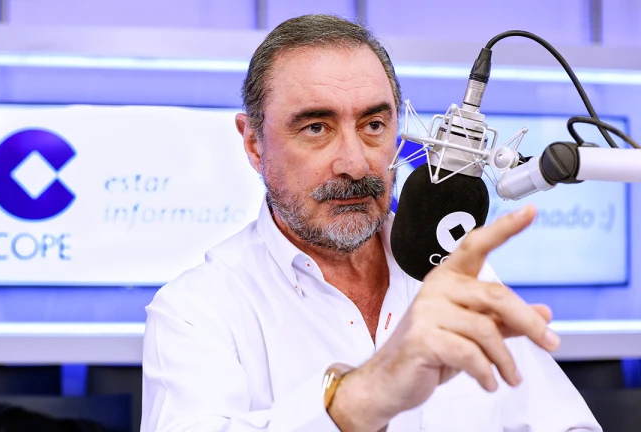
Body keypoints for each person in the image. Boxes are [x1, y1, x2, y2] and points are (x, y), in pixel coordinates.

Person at [141, 14, 601, 431]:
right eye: (316, 128)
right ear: (254, 144)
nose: (356, 163)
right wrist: (364, 396)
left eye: (374, 125)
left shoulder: (453, 271)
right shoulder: (197, 311)